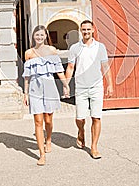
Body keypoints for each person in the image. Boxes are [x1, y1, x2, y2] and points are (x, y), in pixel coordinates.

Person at [65, 20, 113, 159]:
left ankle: (94, 147)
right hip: (80, 87)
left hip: (97, 86)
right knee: (80, 118)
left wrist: (110, 84)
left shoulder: (100, 47)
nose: (86, 32)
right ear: (81, 31)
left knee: (96, 117)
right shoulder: (74, 48)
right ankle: (81, 132)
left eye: (88, 29)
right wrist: (66, 84)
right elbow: (70, 67)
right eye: (83, 30)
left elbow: (105, 66)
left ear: (93, 30)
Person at [23, 25, 70, 166]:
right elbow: (27, 76)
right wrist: (25, 93)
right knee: (38, 121)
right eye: (37, 35)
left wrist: (65, 84)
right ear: (33, 37)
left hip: (49, 85)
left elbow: (58, 70)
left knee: (48, 120)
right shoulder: (29, 53)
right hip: (35, 87)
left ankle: (48, 139)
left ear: (45, 36)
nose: (39, 37)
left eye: (42, 35)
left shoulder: (52, 50)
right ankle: (41, 154)